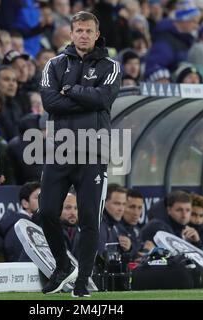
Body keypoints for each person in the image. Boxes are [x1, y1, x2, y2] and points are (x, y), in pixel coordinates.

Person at [38, 11, 121, 297]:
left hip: (93, 151)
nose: (83, 35)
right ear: (71, 34)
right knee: (46, 211)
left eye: (88, 30)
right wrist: (86, 99)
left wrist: (70, 90)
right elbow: (50, 103)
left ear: (97, 34)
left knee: (88, 220)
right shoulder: (54, 64)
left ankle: (83, 282)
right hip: (59, 151)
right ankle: (63, 266)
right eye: (79, 30)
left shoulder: (110, 66)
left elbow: (104, 98)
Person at [0, 181, 40, 262]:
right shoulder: (21, 228)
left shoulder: (26, 224)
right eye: (38, 197)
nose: (43, 201)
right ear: (25, 203)